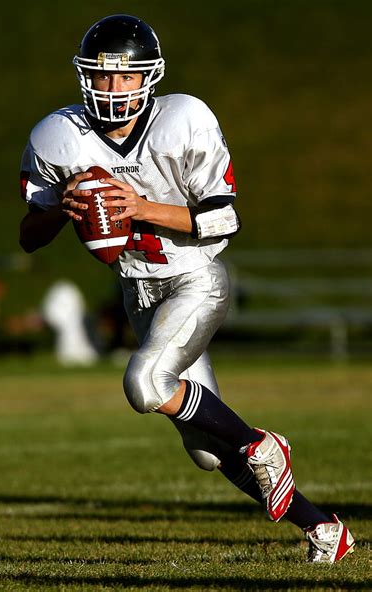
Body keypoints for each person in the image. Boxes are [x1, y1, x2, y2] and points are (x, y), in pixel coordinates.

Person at [18, 14, 354, 562]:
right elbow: (30, 236)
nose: (113, 89)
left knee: (146, 384)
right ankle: (322, 528)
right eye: (102, 77)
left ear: (149, 77)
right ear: (84, 78)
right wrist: (62, 206)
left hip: (195, 279)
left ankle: (258, 443)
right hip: (139, 293)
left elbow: (224, 220)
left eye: (126, 77)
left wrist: (140, 207)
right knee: (204, 451)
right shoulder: (58, 136)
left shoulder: (184, 118)